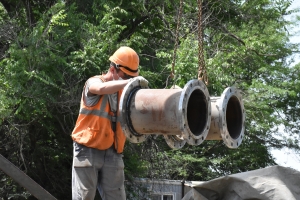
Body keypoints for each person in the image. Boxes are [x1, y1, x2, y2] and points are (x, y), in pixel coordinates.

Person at [71, 46, 140, 200]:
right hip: (88, 149)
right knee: (84, 197)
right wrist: (128, 83)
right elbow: (101, 88)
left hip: (113, 151)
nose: (128, 79)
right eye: (125, 75)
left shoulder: (124, 92)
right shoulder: (93, 82)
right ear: (113, 69)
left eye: (131, 76)